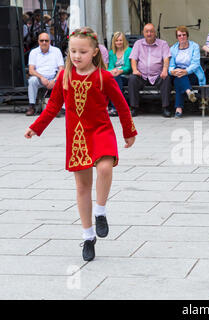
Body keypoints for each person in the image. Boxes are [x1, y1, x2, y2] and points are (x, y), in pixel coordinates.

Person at [24, 27, 137, 262]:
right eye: (72, 51)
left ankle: (101, 211)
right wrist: (36, 127)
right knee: (82, 187)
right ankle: (88, 236)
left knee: (105, 168)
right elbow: (53, 106)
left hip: (101, 130)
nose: (76, 56)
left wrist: (128, 131)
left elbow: (122, 105)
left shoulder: (103, 77)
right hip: (77, 136)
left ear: (95, 52)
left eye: (82, 52)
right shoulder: (65, 76)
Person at [128, 23, 171, 117]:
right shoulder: (138, 44)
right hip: (141, 75)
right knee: (132, 79)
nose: (149, 34)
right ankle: (134, 108)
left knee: (166, 79)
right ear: (143, 33)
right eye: (146, 31)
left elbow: (166, 58)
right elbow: (133, 59)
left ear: (155, 33)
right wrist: (135, 70)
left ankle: (165, 108)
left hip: (157, 75)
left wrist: (164, 70)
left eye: (151, 31)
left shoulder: (163, 44)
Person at [169, 26, 206, 118]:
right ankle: (188, 91)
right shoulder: (173, 49)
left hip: (192, 74)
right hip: (178, 73)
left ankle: (179, 109)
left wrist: (185, 71)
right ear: (177, 37)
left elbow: (195, 63)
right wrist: (172, 72)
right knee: (179, 77)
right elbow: (171, 65)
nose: (182, 37)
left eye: (184, 35)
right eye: (179, 35)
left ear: (187, 35)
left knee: (178, 80)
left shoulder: (194, 46)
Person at [26, 32, 64, 116]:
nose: (44, 42)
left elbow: (61, 69)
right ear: (38, 41)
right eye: (42, 40)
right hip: (39, 78)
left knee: (63, 80)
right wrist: (41, 77)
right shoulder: (33, 52)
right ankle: (31, 106)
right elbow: (31, 70)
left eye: (46, 40)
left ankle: (61, 108)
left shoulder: (56, 51)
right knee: (32, 80)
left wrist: (54, 80)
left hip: (53, 77)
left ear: (50, 41)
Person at [107, 31, 133, 116]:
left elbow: (128, 67)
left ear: (124, 41)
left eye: (120, 40)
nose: (119, 42)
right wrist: (113, 70)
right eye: (116, 40)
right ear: (114, 42)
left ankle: (115, 108)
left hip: (126, 76)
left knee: (116, 80)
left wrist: (120, 71)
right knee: (113, 80)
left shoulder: (129, 51)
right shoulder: (111, 53)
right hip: (115, 76)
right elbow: (110, 67)